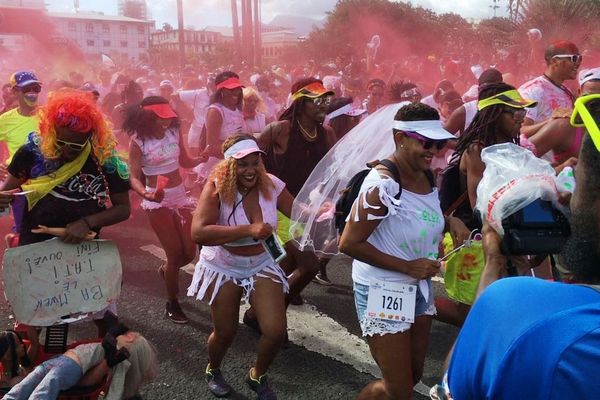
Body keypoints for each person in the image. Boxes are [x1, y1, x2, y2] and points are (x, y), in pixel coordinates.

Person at [443, 112, 600, 400]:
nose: (566, 199)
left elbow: (450, 389)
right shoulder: (477, 149)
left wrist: (494, 265)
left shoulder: (517, 307)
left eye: (577, 183)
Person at [338, 103, 468, 400]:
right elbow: (348, 243)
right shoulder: (381, 186)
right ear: (400, 138)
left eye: (437, 143)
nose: (433, 150)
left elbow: (417, 213)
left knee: (412, 376)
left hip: (417, 286)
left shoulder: (427, 177)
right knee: (398, 389)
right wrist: (407, 266)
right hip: (383, 287)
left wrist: (451, 221)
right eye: (425, 142)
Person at [0, 89, 131, 336]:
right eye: (61, 142)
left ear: (91, 135)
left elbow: (123, 208)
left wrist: (87, 221)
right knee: (40, 327)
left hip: (85, 253)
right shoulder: (31, 152)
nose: (67, 150)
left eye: (76, 144)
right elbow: (8, 192)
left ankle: (106, 367)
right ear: (50, 130)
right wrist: (2, 198)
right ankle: (43, 370)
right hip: (38, 251)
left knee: (107, 325)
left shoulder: (107, 159)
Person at [188, 134, 294, 399]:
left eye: (254, 162)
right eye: (242, 164)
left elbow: (299, 211)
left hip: (261, 263)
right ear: (229, 166)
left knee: (275, 331)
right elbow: (199, 232)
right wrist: (248, 229)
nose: (250, 170)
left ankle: (257, 374)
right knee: (225, 332)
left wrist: (324, 208)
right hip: (224, 265)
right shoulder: (216, 187)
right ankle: (213, 368)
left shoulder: (272, 185)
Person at [435, 83, 537, 327]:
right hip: (476, 239)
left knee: (503, 311)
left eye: (523, 112)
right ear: (494, 113)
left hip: (507, 235)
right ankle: (422, 306)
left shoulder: (513, 148)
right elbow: (479, 205)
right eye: (514, 112)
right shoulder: (477, 150)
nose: (521, 117)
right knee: (471, 315)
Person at [253, 77, 337, 310]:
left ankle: (268, 305)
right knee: (308, 265)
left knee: (287, 264)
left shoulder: (327, 133)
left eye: (325, 101)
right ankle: (265, 310)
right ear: (300, 103)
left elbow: (334, 170)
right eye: (316, 101)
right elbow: (250, 155)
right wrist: (263, 184)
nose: (323, 106)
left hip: (305, 209)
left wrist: (329, 197)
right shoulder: (280, 130)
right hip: (276, 207)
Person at [125, 96, 203, 325]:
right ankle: (172, 302)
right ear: (147, 117)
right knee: (174, 253)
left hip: (180, 196)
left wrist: (202, 157)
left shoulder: (174, 132)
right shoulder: (138, 142)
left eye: (168, 116)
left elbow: (186, 161)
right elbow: (133, 176)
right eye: (161, 117)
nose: (167, 121)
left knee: (189, 254)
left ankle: (167, 270)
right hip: (156, 201)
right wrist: (146, 194)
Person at [3, 329, 157, 400]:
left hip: (66, 365)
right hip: (55, 364)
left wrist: (107, 362)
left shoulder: (108, 354)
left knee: (46, 386)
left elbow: (87, 382)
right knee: (32, 383)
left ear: (129, 338)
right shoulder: (106, 350)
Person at [518, 41, 581, 156]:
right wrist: (552, 122)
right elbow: (520, 131)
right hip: (538, 167)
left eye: (579, 58)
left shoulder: (566, 91)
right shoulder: (532, 91)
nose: (577, 63)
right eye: (573, 58)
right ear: (554, 61)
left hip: (561, 167)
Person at [528, 67, 600, 165]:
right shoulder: (564, 126)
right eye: (589, 97)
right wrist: (557, 170)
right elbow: (519, 158)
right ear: (580, 93)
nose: (595, 104)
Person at [195, 71, 245, 185]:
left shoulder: (237, 110)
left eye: (238, 88)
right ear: (221, 90)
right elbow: (211, 148)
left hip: (235, 166)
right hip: (218, 170)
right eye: (231, 89)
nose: (236, 92)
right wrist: (241, 145)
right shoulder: (216, 111)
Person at [444, 68, 504, 136]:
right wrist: (463, 145)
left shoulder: (507, 110)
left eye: (494, 90)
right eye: (486, 90)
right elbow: (442, 138)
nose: (489, 93)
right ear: (479, 90)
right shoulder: (465, 111)